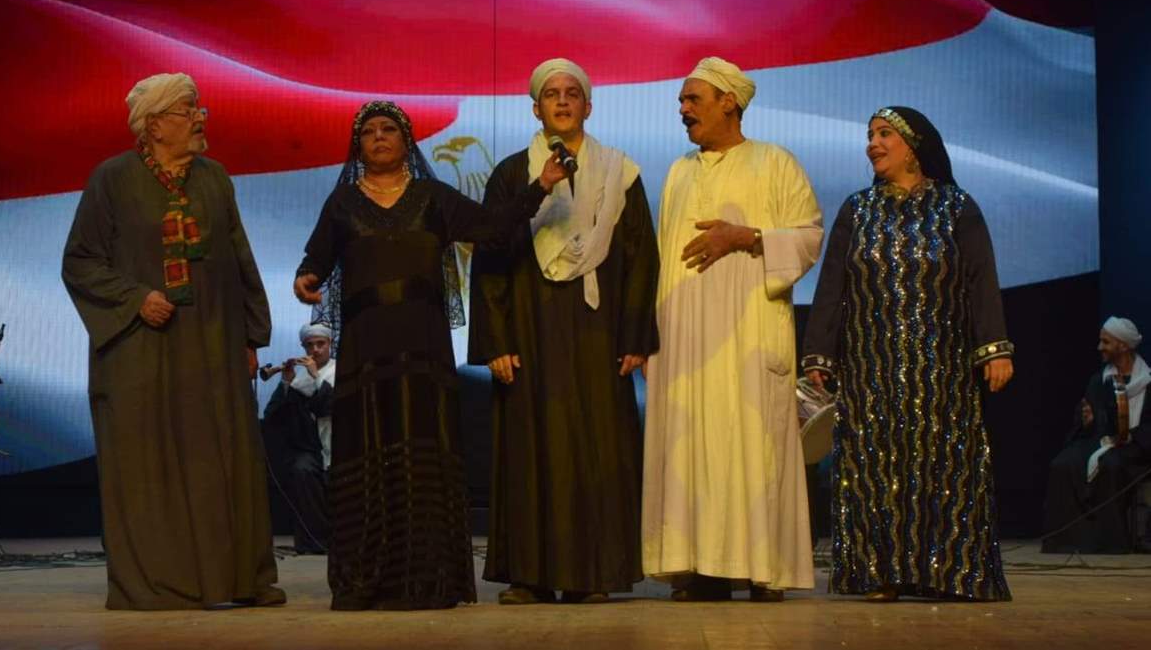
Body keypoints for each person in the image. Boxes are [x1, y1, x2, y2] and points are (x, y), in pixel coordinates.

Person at [294, 100, 567, 611]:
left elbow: (493, 227)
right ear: (358, 145)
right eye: (369, 132)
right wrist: (305, 278)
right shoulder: (342, 203)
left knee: (423, 450)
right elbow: (316, 259)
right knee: (369, 453)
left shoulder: (432, 197)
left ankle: (428, 577)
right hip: (366, 350)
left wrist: (541, 186)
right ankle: (367, 579)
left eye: (388, 129)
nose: (379, 137)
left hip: (423, 348)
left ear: (406, 141)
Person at [62, 73, 282, 610]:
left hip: (213, 344)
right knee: (151, 463)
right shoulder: (113, 179)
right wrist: (135, 297)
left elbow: (240, 256)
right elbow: (80, 262)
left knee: (221, 459)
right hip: (143, 349)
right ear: (155, 125)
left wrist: (252, 335)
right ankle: (165, 584)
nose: (200, 118)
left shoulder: (214, 177)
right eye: (188, 110)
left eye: (199, 108)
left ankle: (235, 580)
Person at [802, 106, 1014, 602]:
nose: (872, 144)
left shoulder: (956, 207)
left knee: (944, 465)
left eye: (884, 135)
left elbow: (981, 281)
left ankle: (951, 573)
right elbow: (832, 288)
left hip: (942, 367)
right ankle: (881, 573)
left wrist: (994, 349)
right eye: (870, 135)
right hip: (869, 365)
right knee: (875, 467)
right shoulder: (857, 211)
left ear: (914, 146)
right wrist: (819, 355)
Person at [468, 58, 660, 605]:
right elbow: (490, 257)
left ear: (587, 106)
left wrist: (635, 337)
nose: (561, 101)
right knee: (531, 448)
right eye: (551, 94)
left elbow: (640, 259)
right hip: (529, 328)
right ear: (536, 109)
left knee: (596, 448)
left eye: (571, 93)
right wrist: (495, 341)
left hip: (597, 331)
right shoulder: (512, 175)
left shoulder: (620, 172)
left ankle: (591, 574)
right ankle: (529, 575)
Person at [642, 56, 823, 602]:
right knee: (692, 449)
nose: (682, 109)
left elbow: (809, 238)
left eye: (692, 98)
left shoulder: (775, 162)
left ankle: (761, 569)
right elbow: (662, 262)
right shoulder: (678, 172)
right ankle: (702, 567)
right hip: (686, 344)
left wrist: (747, 237)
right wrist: (652, 338)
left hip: (749, 336)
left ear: (729, 103)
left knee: (751, 448)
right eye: (681, 100)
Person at [1043, 317, 1150, 553]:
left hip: (1137, 447)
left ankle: (1110, 542)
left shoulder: (1148, 382)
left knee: (1111, 465)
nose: (1100, 347)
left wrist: (1130, 436)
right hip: (1100, 441)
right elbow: (1089, 425)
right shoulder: (1099, 380)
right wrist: (1087, 421)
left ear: (1123, 346)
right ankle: (1067, 541)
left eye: (1106, 342)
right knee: (1063, 464)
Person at [262, 322, 334, 554]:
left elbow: (328, 408)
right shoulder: (299, 381)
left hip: (339, 444)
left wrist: (316, 377)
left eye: (321, 344)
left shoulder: (339, 372)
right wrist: (286, 381)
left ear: (330, 344)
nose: (315, 350)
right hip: (311, 448)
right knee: (301, 469)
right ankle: (315, 541)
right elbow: (272, 415)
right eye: (309, 345)